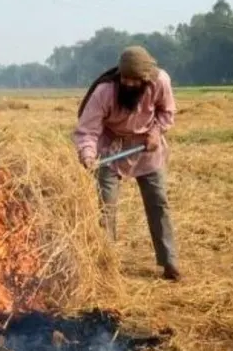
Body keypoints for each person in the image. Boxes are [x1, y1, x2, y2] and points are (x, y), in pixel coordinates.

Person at [73, 45, 180, 281]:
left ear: (146, 78)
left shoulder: (160, 81)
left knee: (158, 203)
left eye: (135, 80)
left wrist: (156, 131)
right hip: (111, 148)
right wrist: (88, 155)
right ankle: (106, 266)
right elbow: (86, 131)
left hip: (147, 148)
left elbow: (166, 112)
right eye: (125, 78)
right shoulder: (104, 92)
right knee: (105, 208)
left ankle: (170, 262)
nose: (129, 84)